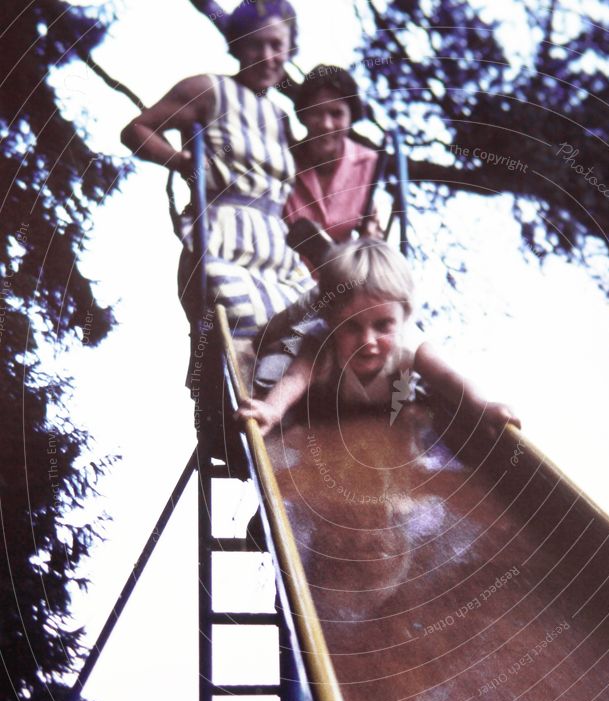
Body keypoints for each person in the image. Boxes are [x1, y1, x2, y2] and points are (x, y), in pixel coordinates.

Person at [120, 0, 317, 354]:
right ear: (238, 44)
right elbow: (137, 130)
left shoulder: (281, 118)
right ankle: (243, 406)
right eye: (255, 43)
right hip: (223, 238)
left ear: (290, 49)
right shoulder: (208, 90)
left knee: (315, 323)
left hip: (276, 247)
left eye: (277, 45)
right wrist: (182, 162)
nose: (266, 55)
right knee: (245, 329)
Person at [235, 239, 520, 437]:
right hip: (325, 405)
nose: (368, 341)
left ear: (404, 316)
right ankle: (281, 324)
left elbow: (448, 378)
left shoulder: (411, 347)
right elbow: (295, 378)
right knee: (277, 360)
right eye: (351, 326)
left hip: (381, 409)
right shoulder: (322, 344)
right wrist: (271, 409)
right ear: (332, 322)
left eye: (383, 325)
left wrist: (481, 406)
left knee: (414, 403)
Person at [284, 65, 383, 248]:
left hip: (342, 273)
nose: (326, 125)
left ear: (351, 117)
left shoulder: (368, 163)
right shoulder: (283, 160)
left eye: (336, 113)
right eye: (316, 112)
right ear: (302, 115)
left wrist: (370, 237)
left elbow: (371, 229)